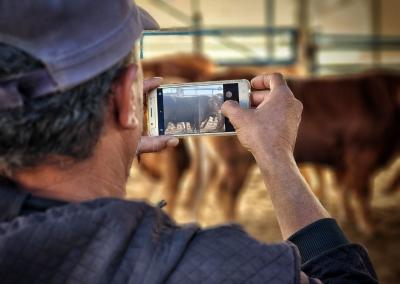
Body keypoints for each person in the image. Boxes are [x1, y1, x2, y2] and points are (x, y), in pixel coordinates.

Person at [0, 1, 378, 283]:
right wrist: (276, 155)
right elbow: (344, 277)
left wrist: (110, 149)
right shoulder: (217, 266)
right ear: (124, 99)